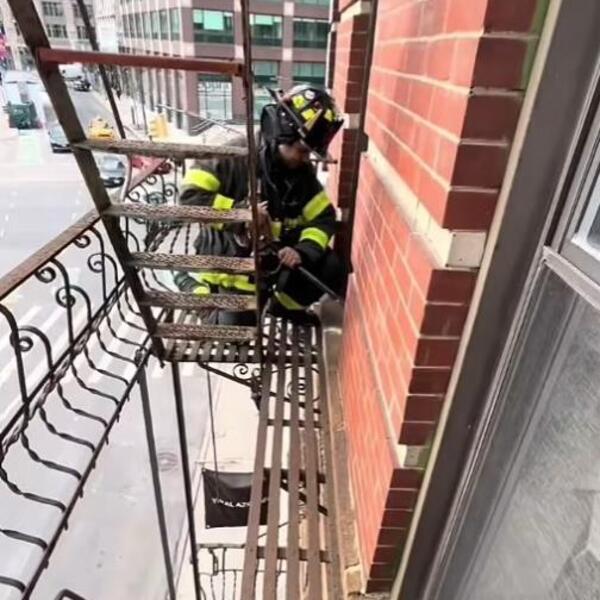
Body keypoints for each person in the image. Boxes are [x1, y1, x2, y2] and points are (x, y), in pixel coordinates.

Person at [174, 85, 346, 324]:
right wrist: (240, 215)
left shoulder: (300, 173)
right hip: (228, 268)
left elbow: (323, 218)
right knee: (236, 328)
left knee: (332, 268)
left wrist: (302, 251)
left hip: (268, 267)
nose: (306, 159)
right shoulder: (233, 156)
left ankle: (282, 307)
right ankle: (189, 282)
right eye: (302, 151)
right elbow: (190, 198)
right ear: (282, 134)